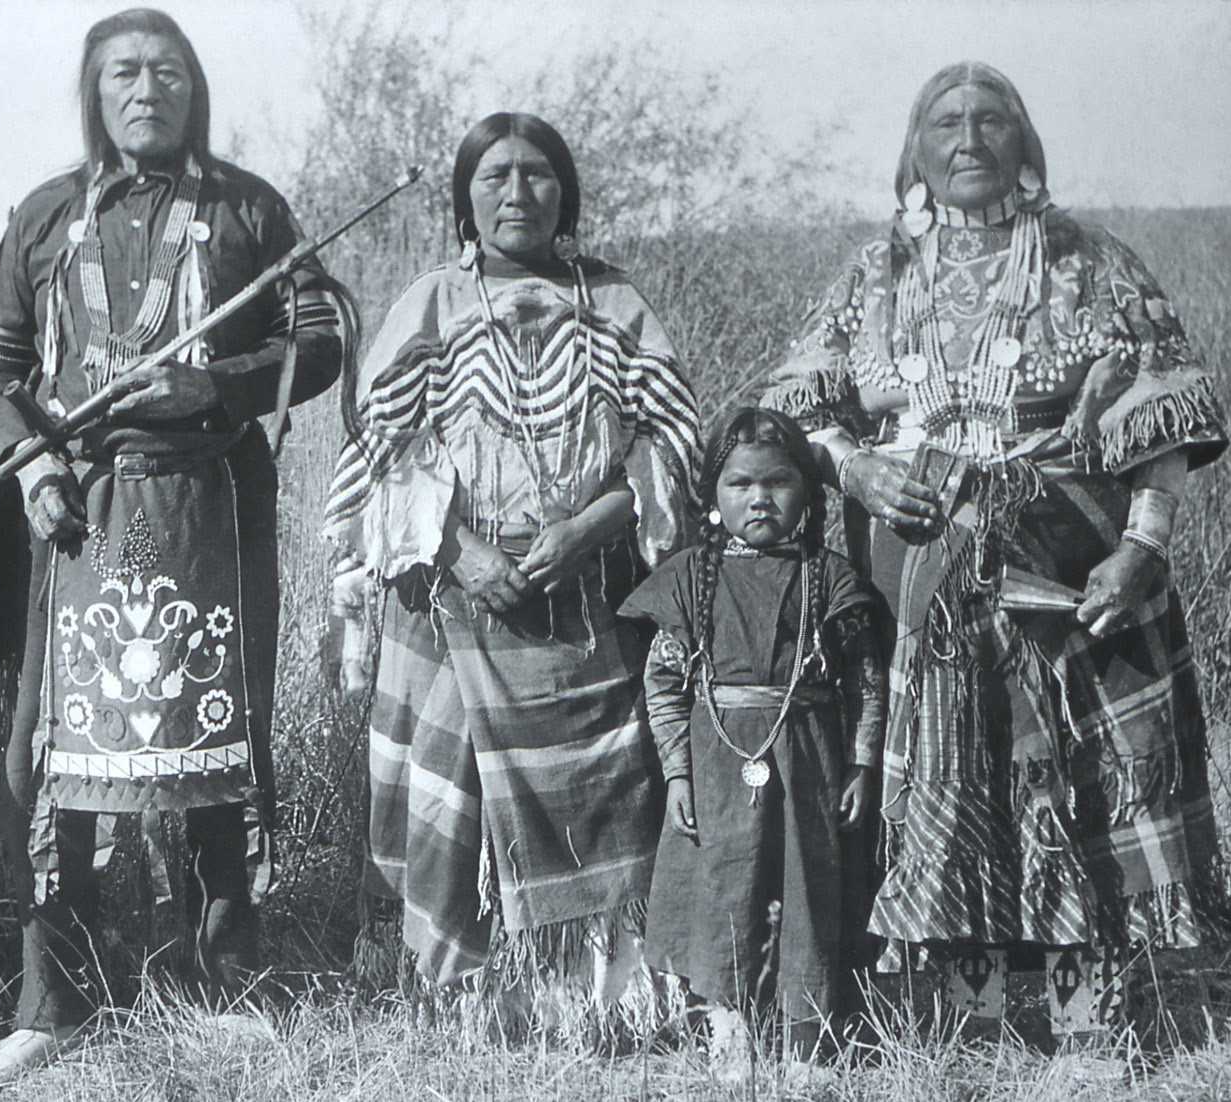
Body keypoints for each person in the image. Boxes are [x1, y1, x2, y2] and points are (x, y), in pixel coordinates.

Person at [762, 61, 1228, 1038]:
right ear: (915, 149)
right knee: (955, 791)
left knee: (1063, 790)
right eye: (945, 122)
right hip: (923, 575)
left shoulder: (1088, 260)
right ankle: (973, 1024)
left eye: (991, 119)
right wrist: (857, 470)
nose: (969, 138)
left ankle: (1084, 1021)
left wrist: (1140, 548)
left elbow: (1163, 426)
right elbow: (796, 409)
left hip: (1071, 563)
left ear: (1023, 142)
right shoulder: (874, 272)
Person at [0, 8, 345, 1085]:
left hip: (209, 503)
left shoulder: (249, 208)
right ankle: (56, 991)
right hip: (77, 508)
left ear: (195, 87)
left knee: (217, 731)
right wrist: (31, 467)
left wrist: (211, 383)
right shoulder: (42, 218)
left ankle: (223, 978)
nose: (147, 90)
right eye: (124, 72)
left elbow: (318, 339)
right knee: (60, 745)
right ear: (94, 90)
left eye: (167, 71)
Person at [324, 112, 700, 1037]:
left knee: (602, 785)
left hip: (587, 593)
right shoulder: (433, 303)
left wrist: (589, 525)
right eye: (493, 176)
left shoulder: (615, 302)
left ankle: (590, 1004)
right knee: (453, 786)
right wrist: (459, 550)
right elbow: (381, 450)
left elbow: (672, 443)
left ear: (564, 192)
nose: (516, 192)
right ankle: (475, 1002)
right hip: (454, 591)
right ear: (466, 197)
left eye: (536, 174)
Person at [619, 407, 885, 1071]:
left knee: (807, 889)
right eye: (739, 484)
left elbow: (868, 683)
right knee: (722, 889)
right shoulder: (688, 578)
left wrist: (859, 764)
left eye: (777, 482)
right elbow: (662, 686)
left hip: (811, 766)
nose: (759, 498)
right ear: (711, 495)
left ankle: (808, 1045)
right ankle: (729, 1038)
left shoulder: (829, 578)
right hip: (716, 764)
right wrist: (677, 774)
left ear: (806, 490)